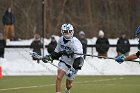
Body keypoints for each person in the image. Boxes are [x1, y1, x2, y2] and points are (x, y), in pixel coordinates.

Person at [40, 23, 84, 93]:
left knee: (68, 84)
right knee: (59, 77)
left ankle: (68, 89)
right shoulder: (61, 40)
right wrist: (50, 57)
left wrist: (72, 69)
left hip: (74, 63)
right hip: (64, 61)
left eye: (69, 31)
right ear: (62, 32)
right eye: (66, 32)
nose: (68, 33)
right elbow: (57, 52)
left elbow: (79, 59)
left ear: (72, 31)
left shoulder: (76, 43)